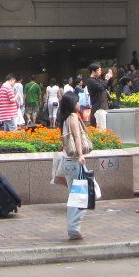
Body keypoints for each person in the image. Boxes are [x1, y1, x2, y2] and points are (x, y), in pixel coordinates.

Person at [57, 91, 89, 240]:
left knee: (74, 195)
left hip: (67, 161)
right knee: (82, 195)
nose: (79, 104)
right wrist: (81, 155)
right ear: (72, 104)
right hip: (75, 161)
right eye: (77, 102)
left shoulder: (64, 118)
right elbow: (77, 137)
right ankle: (74, 228)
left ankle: (73, 228)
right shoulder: (73, 117)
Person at [86, 62, 114, 128]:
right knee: (100, 127)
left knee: (105, 127)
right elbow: (101, 87)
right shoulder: (90, 81)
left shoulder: (98, 80)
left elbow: (106, 85)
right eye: (99, 70)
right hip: (98, 108)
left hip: (103, 107)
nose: (100, 72)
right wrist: (106, 79)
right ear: (93, 71)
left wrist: (110, 77)